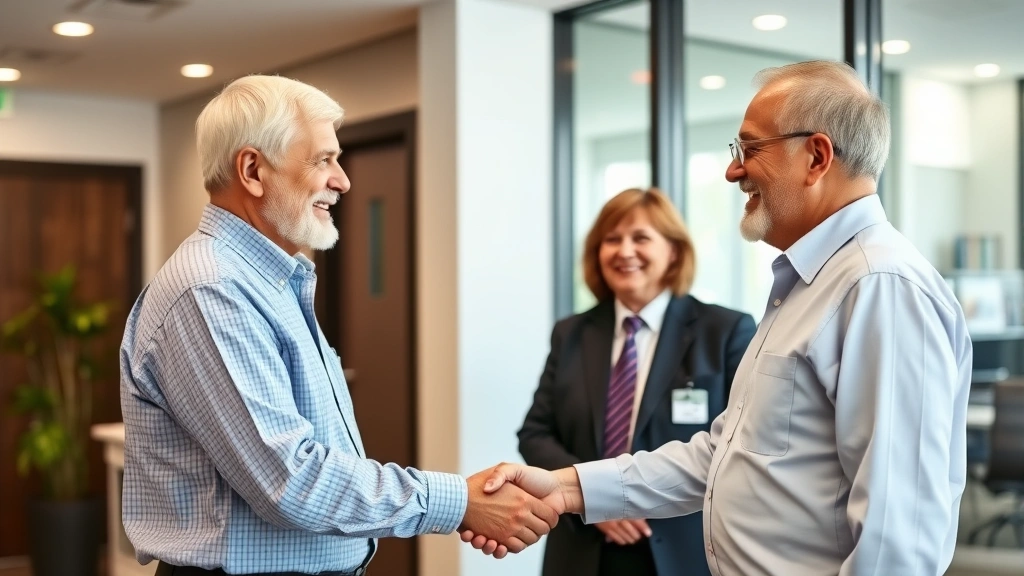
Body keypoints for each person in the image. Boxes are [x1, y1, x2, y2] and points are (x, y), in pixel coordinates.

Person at [465, 60, 973, 576]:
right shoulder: (807, 286)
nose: (733, 171)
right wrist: (568, 487)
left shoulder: (880, 287)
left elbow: (899, 540)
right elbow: (722, 454)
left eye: (750, 149)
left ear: (816, 157)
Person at [119, 75, 556, 576]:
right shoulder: (212, 290)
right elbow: (291, 479)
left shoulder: (269, 280)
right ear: (252, 170)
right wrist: (458, 502)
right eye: (322, 160)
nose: (343, 180)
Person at [518, 188, 754, 576]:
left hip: (684, 552)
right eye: (612, 240)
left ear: (674, 251)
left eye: (640, 238)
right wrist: (595, 496)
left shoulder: (725, 331)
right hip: (583, 549)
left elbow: (741, 443)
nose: (624, 251)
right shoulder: (571, 333)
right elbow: (535, 434)